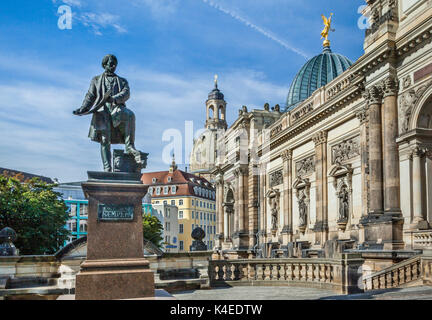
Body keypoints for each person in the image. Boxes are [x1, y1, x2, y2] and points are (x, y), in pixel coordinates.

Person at [73, 54, 140, 172]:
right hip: (101, 112)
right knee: (104, 140)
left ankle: (129, 146)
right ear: (104, 65)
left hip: (116, 110)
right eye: (110, 64)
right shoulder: (96, 80)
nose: (113, 66)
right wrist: (83, 108)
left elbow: (126, 93)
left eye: (115, 64)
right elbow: (90, 96)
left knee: (130, 115)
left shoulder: (122, 81)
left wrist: (114, 98)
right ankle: (107, 168)